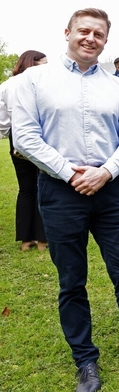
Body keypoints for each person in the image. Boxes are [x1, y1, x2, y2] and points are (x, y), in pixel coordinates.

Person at [12, 7, 119, 392]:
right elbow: (25, 137)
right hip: (61, 190)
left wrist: (105, 172)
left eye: (99, 34)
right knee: (72, 281)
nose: (91, 39)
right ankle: (85, 361)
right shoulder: (35, 81)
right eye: (84, 31)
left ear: (106, 40)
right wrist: (71, 172)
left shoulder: (117, 86)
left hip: (109, 191)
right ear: (68, 32)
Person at [0, 50, 49, 251]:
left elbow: (2, 121)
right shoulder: (42, 83)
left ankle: (26, 240)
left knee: (26, 188)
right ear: (33, 63)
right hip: (41, 135)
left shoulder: (5, 86)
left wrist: (10, 135)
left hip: (17, 136)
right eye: (44, 63)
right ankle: (43, 239)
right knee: (43, 186)